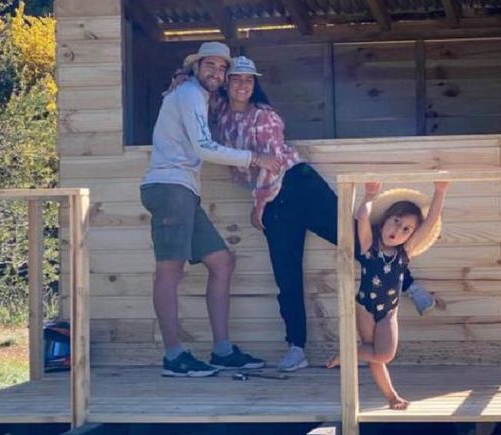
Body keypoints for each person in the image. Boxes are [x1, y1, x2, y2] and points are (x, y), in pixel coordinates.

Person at [212, 56, 443, 372]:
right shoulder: (221, 116)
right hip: (274, 203)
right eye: (236, 78)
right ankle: (296, 347)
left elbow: (273, 164)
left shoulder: (263, 117)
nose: (242, 84)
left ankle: (410, 286)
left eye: (249, 80)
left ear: (255, 85)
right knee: (286, 273)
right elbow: (189, 84)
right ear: (226, 83)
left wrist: (259, 204)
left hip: (296, 185)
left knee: (352, 239)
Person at [140, 42, 280, 377]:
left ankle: (222, 351)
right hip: (170, 188)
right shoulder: (189, 94)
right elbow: (204, 147)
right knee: (169, 272)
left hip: (184, 190)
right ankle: (174, 357)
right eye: (211, 67)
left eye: (222, 69)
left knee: (222, 262)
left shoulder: (197, 97)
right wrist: (255, 158)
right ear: (196, 67)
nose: (217, 73)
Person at [326, 181, 449, 410]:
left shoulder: (405, 252)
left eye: (406, 229)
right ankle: (392, 397)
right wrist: (369, 195)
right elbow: (362, 217)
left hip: (388, 312)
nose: (398, 231)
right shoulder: (368, 246)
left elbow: (430, 222)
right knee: (374, 353)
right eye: (396, 222)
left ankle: (348, 354)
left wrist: (440, 191)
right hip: (365, 307)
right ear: (384, 221)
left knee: (382, 355)